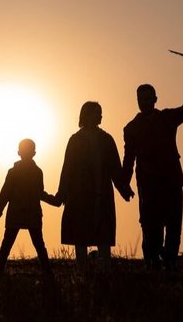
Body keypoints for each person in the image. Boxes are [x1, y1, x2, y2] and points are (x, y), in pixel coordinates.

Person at [122, 71, 183, 270]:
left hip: (172, 183)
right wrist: (124, 186)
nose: (144, 102)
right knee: (151, 229)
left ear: (155, 99)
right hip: (148, 186)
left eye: (148, 98)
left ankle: (170, 264)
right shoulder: (131, 128)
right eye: (141, 99)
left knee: (174, 228)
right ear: (137, 101)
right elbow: (129, 160)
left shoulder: (168, 118)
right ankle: (152, 265)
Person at [54, 101, 133, 270]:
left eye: (101, 112)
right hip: (79, 194)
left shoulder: (106, 139)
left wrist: (124, 189)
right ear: (87, 115)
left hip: (102, 193)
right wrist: (62, 193)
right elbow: (67, 168)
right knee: (80, 234)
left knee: (103, 233)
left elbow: (115, 167)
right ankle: (81, 269)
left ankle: (105, 269)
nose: (101, 116)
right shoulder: (75, 140)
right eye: (97, 112)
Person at [0, 138, 57, 274]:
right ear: (34, 153)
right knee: (38, 244)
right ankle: (47, 271)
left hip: (18, 213)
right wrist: (54, 200)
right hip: (31, 213)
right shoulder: (37, 172)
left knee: (8, 243)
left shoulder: (15, 172)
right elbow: (40, 193)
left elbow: (5, 193)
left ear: (18, 152)